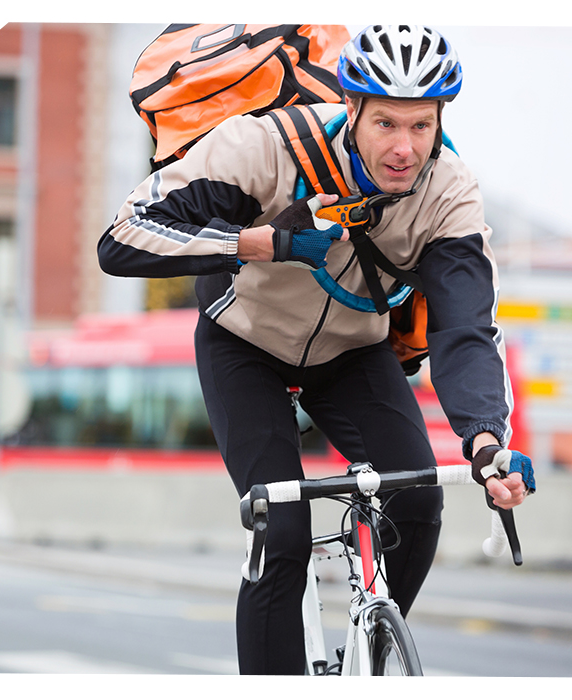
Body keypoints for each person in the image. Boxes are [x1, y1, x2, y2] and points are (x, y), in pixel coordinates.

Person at [98, 24, 534, 675]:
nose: (404, 148)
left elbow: (464, 329)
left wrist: (485, 441)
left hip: (351, 355)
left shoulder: (451, 192)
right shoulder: (268, 146)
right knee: (285, 531)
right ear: (351, 106)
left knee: (417, 503)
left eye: (422, 126)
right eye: (386, 122)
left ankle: (373, 651)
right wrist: (260, 242)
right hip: (243, 344)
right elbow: (124, 238)